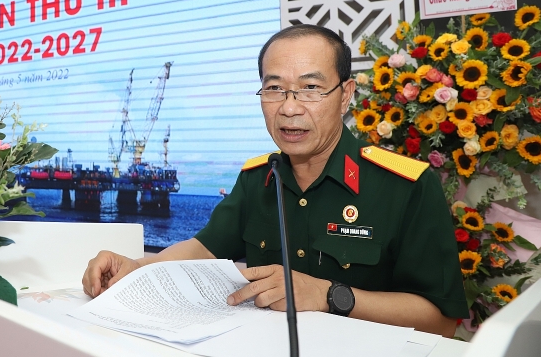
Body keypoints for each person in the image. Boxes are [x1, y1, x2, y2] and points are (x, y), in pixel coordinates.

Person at [82, 25, 468, 337]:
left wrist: (330, 295)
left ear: (345, 95)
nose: (289, 107)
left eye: (311, 88)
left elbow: (441, 322)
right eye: (274, 89)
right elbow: (203, 247)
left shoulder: (406, 186)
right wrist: (137, 268)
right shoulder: (258, 178)